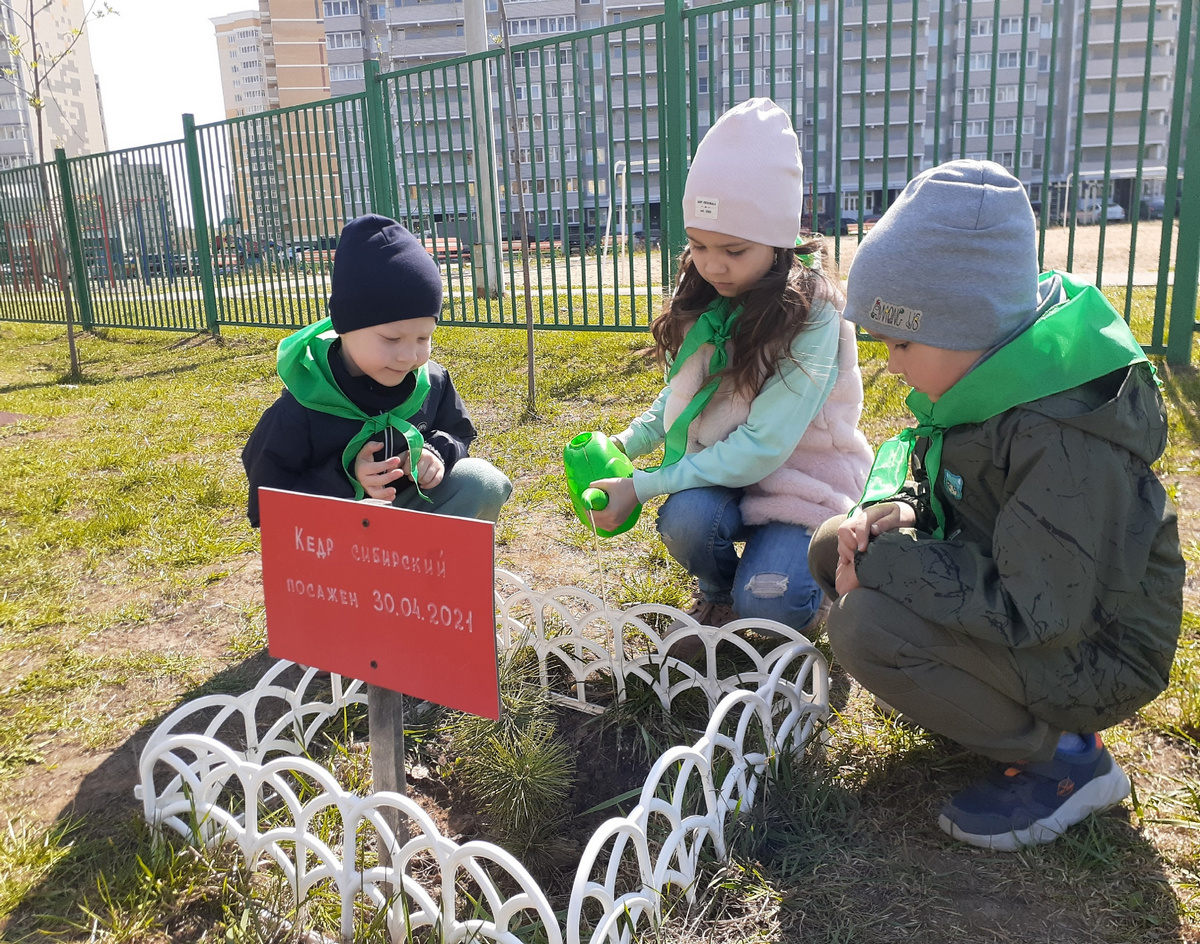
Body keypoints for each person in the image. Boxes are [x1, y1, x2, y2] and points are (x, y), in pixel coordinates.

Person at [807, 160, 1184, 851]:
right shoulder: (993, 372)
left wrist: (890, 570)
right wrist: (897, 507)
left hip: (1092, 651)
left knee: (863, 625)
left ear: (964, 327)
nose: (891, 364)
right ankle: (978, 702)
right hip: (1029, 601)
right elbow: (924, 460)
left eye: (900, 342)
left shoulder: (1060, 437)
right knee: (836, 545)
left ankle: (1071, 762)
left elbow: (1037, 611)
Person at [589, 98, 874, 638]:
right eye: (698, 244)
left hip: (799, 483)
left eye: (734, 249)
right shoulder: (710, 293)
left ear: (779, 241)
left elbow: (762, 448)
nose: (712, 264)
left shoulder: (812, 315)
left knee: (771, 610)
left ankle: (806, 581)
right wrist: (631, 441)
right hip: (727, 476)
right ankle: (719, 593)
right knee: (688, 520)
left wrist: (645, 484)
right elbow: (684, 394)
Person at [242, 214, 511, 528]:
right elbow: (267, 504)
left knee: (482, 481)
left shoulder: (432, 381)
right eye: (391, 339)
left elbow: (459, 433)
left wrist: (433, 452)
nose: (409, 355)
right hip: (338, 534)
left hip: (411, 515)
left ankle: (435, 571)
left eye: (424, 337)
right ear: (344, 328)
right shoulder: (303, 402)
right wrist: (348, 483)